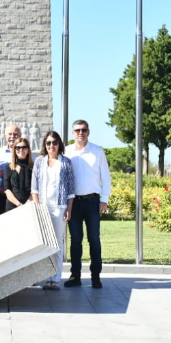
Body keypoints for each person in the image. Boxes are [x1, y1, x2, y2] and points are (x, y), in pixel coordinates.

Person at [64, 120, 111, 289]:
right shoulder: (67, 152)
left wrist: (104, 199)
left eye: (83, 130)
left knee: (94, 240)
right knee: (75, 240)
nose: (80, 133)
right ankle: (75, 276)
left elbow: (105, 176)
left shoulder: (97, 151)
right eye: (77, 130)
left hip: (92, 202)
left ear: (88, 132)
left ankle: (95, 276)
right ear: (72, 133)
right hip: (74, 203)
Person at [30, 131, 74, 290]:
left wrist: (69, 208)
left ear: (59, 144)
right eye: (48, 143)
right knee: (44, 244)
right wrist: (38, 207)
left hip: (60, 207)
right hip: (43, 207)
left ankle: (55, 279)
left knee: (57, 244)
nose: (51, 146)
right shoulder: (39, 162)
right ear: (45, 145)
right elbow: (34, 187)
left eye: (54, 142)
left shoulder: (66, 162)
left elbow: (70, 188)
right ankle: (44, 277)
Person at [0, 124, 23, 215]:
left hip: (21, 199)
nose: (12, 137)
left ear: (20, 136)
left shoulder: (27, 153)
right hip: (3, 198)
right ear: (5, 136)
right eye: (10, 134)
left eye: (15, 134)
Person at [3, 137, 33, 212]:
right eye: (18, 148)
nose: (21, 150)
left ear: (28, 149)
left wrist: (26, 205)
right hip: (12, 207)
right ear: (14, 150)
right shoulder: (8, 167)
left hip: (29, 207)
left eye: (24, 147)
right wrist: (19, 205)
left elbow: (35, 190)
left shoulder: (34, 168)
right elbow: (7, 189)